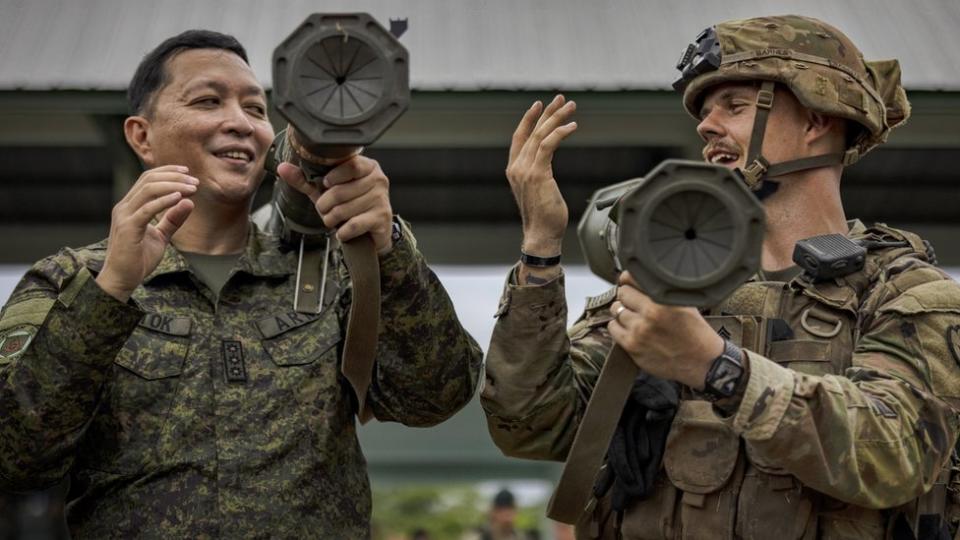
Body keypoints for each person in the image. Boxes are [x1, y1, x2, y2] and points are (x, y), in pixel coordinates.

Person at [481, 14, 960, 539]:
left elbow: (894, 455)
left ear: (816, 119)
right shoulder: (672, 288)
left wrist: (715, 366)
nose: (706, 127)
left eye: (734, 106)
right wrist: (541, 247)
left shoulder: (906, 293)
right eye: (704, 113)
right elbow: (527, 424)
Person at [0, 30, 482, 537]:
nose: (239, 122)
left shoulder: (326, 272)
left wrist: (388, 247)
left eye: (255, 110)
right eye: (208, 100)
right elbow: (17, 456)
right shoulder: (70, 280)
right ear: (142, 135)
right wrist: (110, 292)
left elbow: (436, 396)